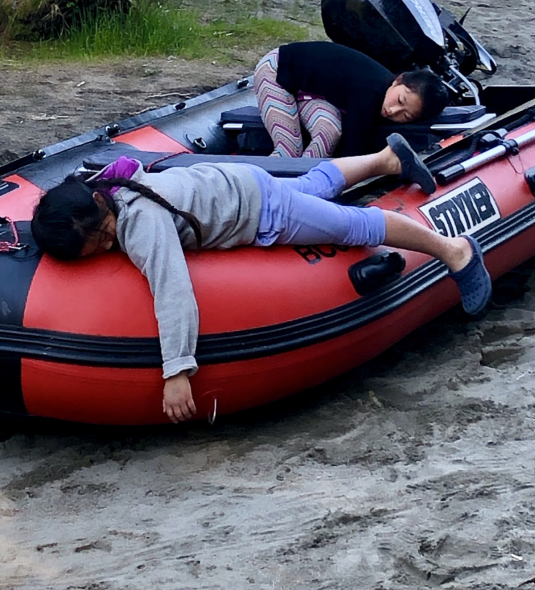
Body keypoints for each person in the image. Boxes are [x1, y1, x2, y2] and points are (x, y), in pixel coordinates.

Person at [30, 134, 491, 424]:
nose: (107, 250)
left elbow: (173, 290)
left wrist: (178, 371)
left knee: (354, 226)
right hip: (240, 182)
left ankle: (454, 250)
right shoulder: (114, 184)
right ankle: (388, 159)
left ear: (100, 215)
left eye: (102, 240)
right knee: (313, 186)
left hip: (258, 209)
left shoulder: (140, 223)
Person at [254, 40, 449, 159]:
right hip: (278, 71)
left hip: (311, 93)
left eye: (405, 116)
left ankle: (305, 186)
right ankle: (256, 188)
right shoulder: (370, 91)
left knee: (329, 132)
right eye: (399, 100)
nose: (392, 111)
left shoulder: (382, 95)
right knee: (289, 150)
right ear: (398, 80)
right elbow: (353, 152)